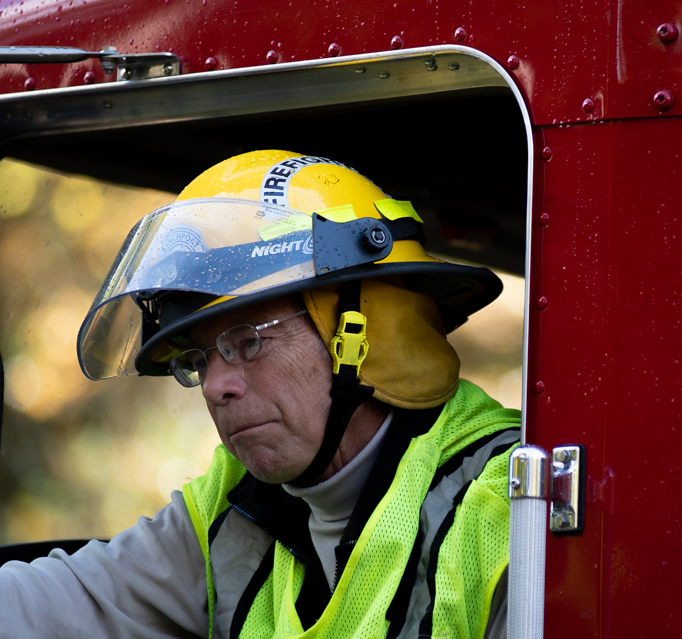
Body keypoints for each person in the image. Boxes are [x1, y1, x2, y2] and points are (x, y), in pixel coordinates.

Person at [0, 150, 520, 638]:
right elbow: (60, 602)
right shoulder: (234, 504)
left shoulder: (506, 506)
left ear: (364, 331)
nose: (214, 386)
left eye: (248, 341)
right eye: (198, 360)